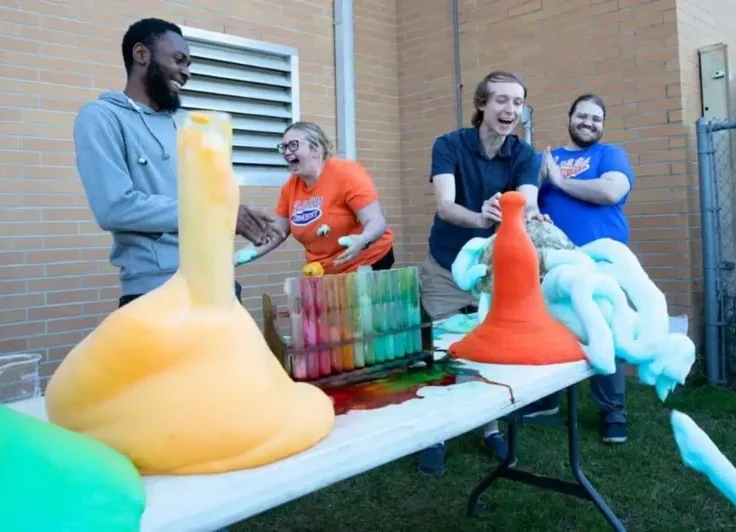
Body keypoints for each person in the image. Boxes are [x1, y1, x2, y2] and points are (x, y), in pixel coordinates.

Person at [73, 18, 282, 308]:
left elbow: (206, 202)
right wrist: (216, 213)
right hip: (157, 294)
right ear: (141, 54)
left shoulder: (185, 128)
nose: (186, 73)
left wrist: (235, 214)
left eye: (189, 65)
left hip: (218, 284)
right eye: (179, 60)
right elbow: (115, 207)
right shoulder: (101, 117)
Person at [418, 70, 549, 477]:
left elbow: (526, 205)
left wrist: (519, 212)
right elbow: (445, 205)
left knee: (489, 348)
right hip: (445, 266)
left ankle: (489, 427)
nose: (511, 110)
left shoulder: (525, 155)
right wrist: (481, 217)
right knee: (445, 351)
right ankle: (435, 433)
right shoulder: (449, 145)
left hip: (492, 269)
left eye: (517, 102)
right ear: (481, 105)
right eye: (501, 100)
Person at [531, 93, 635, 445]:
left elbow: (610, 191)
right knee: (548, 325)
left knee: (603, 327)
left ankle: (613, 411)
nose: (589, 123)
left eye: (596, 118)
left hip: (601, 260)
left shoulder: (610, 155)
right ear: (570, 117)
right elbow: (527, 198)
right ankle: (545, 397)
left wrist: (560, 183)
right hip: (554, 261)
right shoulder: (546, 159)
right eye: (583, 116)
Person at [235, 121, 395, 273]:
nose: (287, 152)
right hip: (325, 270)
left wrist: (363, 240)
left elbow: (375, 220)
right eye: (283, 147)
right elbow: (276, 233)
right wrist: (237, 257)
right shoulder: (290, 188)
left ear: (316, 149)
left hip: (367, 263)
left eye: (293, 145)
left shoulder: (346, 174)